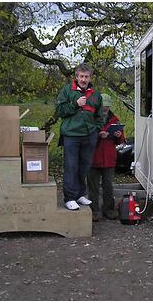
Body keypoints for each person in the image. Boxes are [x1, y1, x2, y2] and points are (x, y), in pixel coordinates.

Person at [56, 63, 103, 210]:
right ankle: (69, 197)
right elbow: (59, 111)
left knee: (84, 166)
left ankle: (80, 194)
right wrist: (75, 104)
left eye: (86, 76)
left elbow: (100, 116)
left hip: (89, 136)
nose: (83, 79)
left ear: (90, 78)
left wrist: (96, 130)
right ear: (76, 77)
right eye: (81, 76)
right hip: (71, 135)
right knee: (71, 166)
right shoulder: (67, 91)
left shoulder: (96, 95)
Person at [87, 94, 125, 222]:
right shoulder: (91, 118)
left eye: (107, 107)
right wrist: (98, 135)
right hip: (93, 158)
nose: (105, 109)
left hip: (109, 158)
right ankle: (94, 211)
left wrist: (119, 135)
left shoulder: (115, 119)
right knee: (93, 187)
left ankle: (108, 209)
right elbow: (86, 136)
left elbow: (120, 140)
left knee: (108, 185)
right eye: (103, 107)